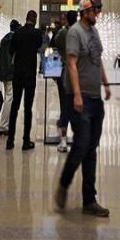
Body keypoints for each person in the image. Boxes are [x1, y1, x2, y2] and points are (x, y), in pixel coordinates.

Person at [55, 0, 111, 217]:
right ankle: (64, 183)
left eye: (98, 10)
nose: (97, 13)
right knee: (80, 145)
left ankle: (89, 200)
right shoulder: (74, 32)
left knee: (91, 148)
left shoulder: (94, 32)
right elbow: (71, 63)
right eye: (94, 10)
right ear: (84, 12)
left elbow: (98, 59)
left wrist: (105, 83)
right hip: (80, 98)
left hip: (95, 97)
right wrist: (77, 95)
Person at [6, 9, 43, 151]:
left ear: (26, 18)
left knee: (15, 105)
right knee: (28, 108)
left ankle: (10, 140)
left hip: (18, 73)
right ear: (35, 20)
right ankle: (26, 141)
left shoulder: (18, 32)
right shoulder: (37, 33)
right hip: (30, 75)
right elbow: (39, 46)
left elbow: (11, 50)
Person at [53, 9, 77, 146]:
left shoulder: (63, 33)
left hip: (65, 72)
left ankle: (63, 139)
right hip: (78, 73)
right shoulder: (80, 33)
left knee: (64, 103)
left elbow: (56, 43)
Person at [0, 19, 19, 137]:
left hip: (3, 72)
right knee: (9, 98)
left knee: (7, 97)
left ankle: (5, 124)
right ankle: (3, 125)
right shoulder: (15, 40)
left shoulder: (4, 39)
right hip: (11, 72)